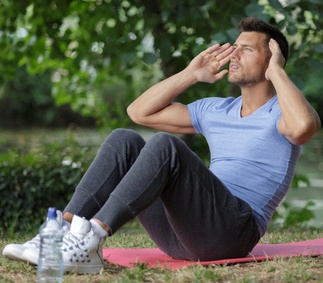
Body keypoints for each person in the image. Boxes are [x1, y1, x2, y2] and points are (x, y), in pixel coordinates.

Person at [3, 17, 321, 274]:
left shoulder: (282, 112)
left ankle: (92, 238)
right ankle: (61, 231)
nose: (233, 54)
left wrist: (277, 71)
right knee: (124, 139)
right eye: (234, 47)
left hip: (233, 233)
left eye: (247, 49)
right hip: (182, 236)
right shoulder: (217, 109)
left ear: (273, 57)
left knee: (166, 146)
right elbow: (138, 112)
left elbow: (303, 128)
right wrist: (191, 74)